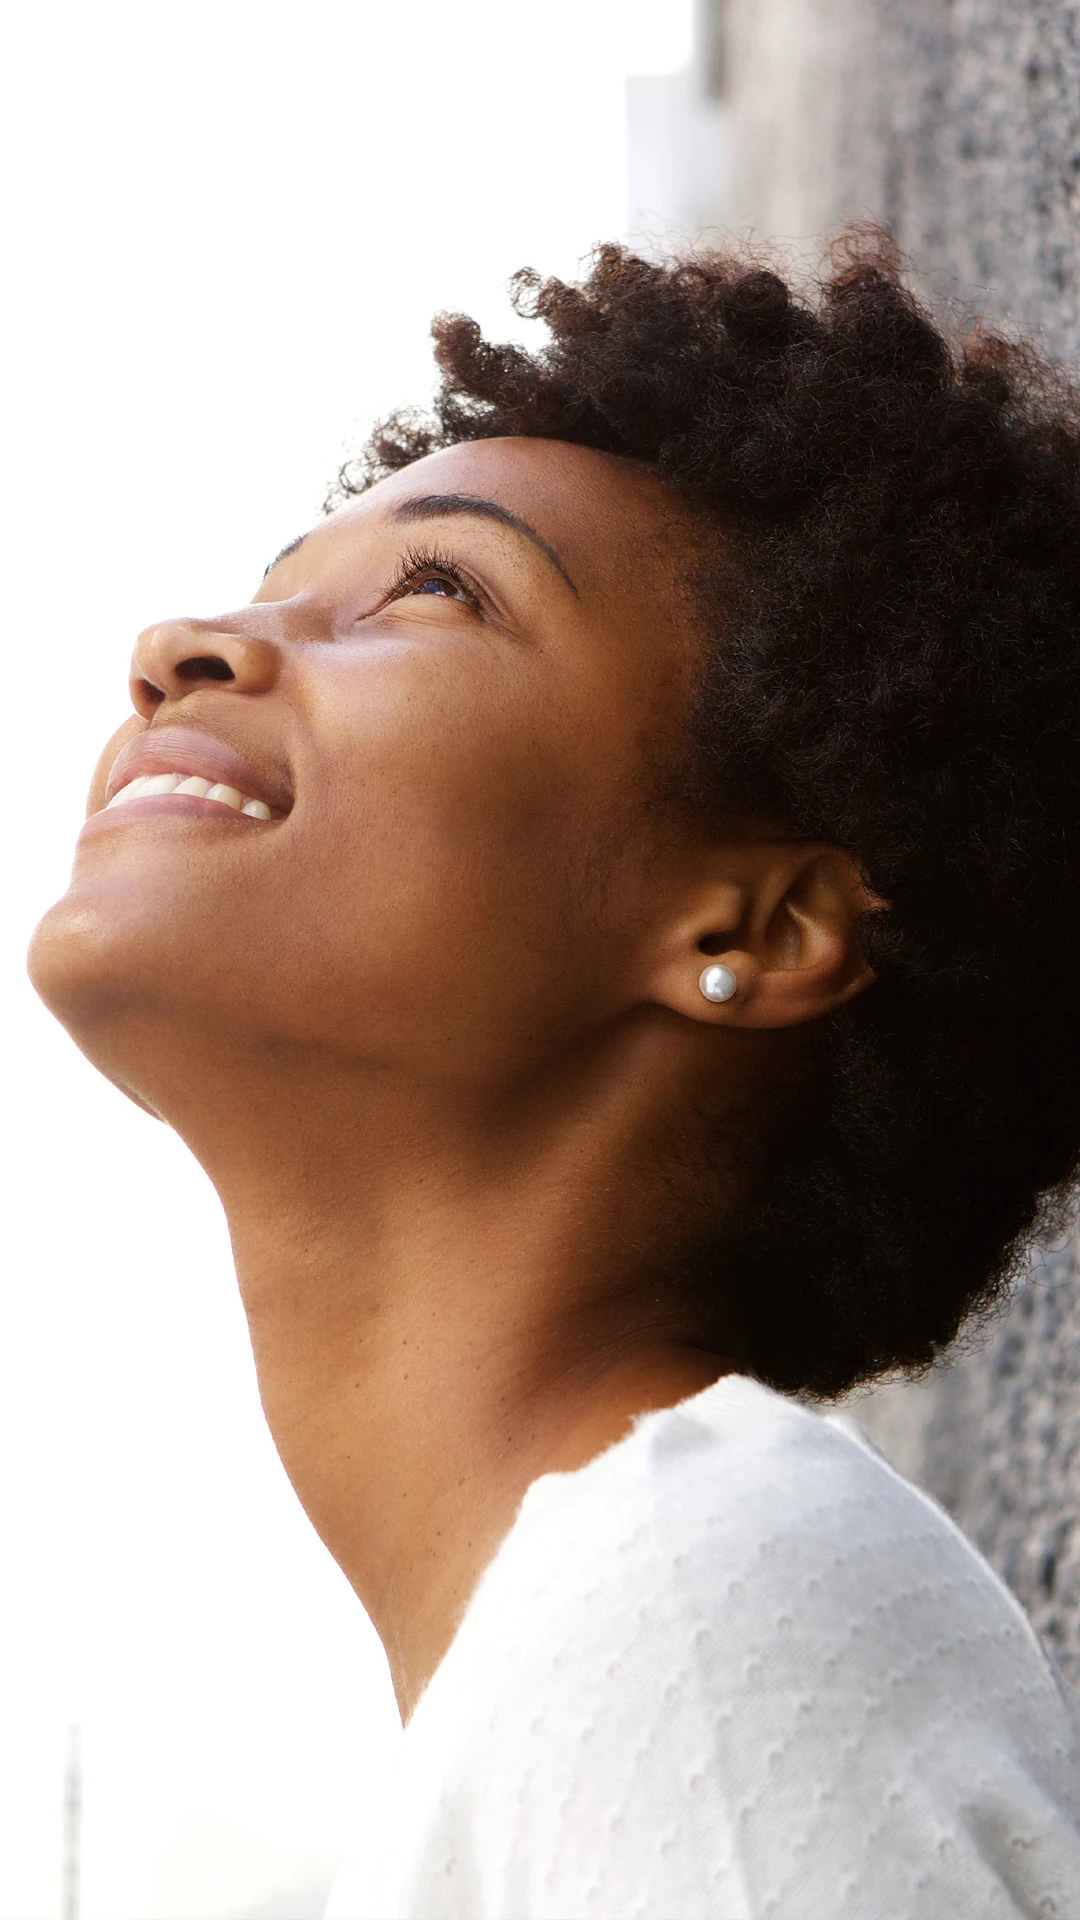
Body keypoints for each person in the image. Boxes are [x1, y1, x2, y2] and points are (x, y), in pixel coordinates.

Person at [29, 228, 1080, 1917]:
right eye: (279, 575)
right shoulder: (622, 1649)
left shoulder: (689, 1613)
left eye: (439, 589)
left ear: (763, 922)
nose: (186, 641)